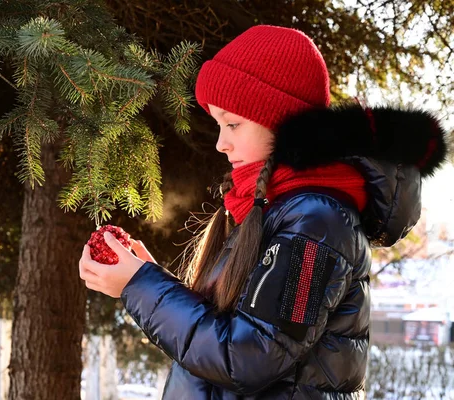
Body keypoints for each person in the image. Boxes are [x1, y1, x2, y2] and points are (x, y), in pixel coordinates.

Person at [78, 25, 448, 399]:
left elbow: (247, 357)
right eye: (219, 125)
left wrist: (139, 286)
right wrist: (149, 278)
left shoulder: (316, 224)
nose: (222, 143)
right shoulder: (271, 208)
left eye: (233, 123)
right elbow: (226, 336)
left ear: (279, 119)